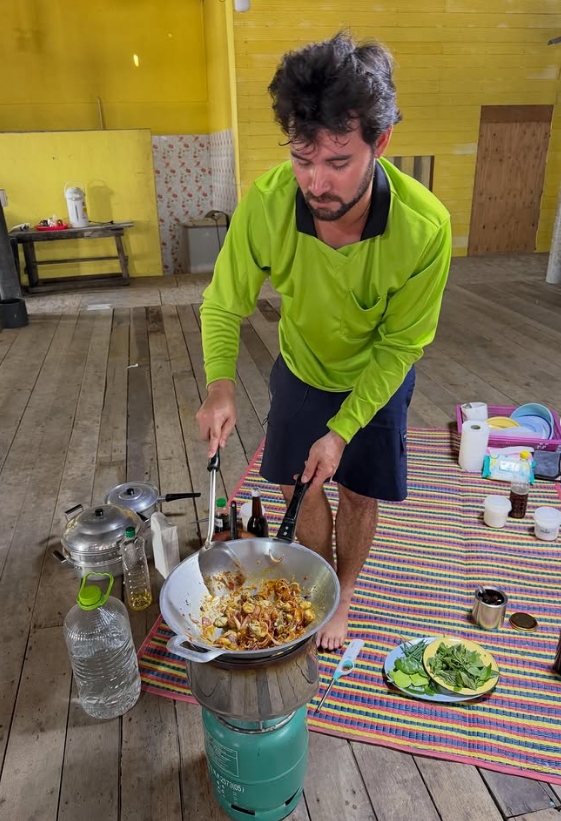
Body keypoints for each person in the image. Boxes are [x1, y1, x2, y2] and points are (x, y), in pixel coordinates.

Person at [196, 32, 452, 651]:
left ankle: (346, 593)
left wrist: (342, 432)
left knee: (359, 492)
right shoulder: (267, 204)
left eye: (338, 162)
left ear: (379, 144)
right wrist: (221, 385)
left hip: (376, 375)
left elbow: (400, 346)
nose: (317, 183)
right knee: (299, 485)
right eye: (302, 159)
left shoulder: (424, 227)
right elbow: (224, 302)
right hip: (303, 367)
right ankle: (321, 581)